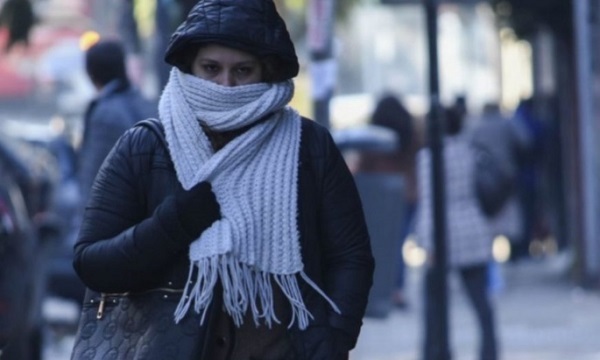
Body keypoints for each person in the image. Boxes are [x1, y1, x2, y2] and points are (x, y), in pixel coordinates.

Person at [71, 1, 374, 359]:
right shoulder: (145, 147)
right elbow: (92, 263)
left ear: (266, 71)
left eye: (242, 71)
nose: (226, 85)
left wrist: (333, 341)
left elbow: (351, 256)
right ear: (190, 67)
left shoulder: (310, 147)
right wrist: (176, 223)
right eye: (211, 68)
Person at [415, 105, 498, 360]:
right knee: (481, 303)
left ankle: (436, 353)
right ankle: (489, 353)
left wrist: (425, 241)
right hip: (472, 229)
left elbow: (429, 203)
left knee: (435, 305)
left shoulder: (428, 158)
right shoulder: (469, 151)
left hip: (442, 234)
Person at [356, 93, 420, 309]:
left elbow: (363, 166)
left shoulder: (374, 136)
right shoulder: (411, 133)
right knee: (399, 242)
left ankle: (383, 288)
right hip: (407, 193)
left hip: (380, 194)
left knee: (382, 245)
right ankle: (397, 289)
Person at [78, 38, 158, 206]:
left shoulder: (104, 113)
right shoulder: (146, 103)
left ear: (91, 73)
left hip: (122, 211)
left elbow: (93, 174)